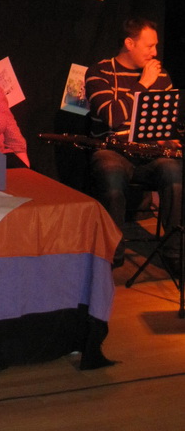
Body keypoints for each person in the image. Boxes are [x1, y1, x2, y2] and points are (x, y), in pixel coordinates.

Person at [84, 18, 181, 269]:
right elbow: (113, 118)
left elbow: (166, 123)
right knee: (110, 173)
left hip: (149, 154)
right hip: (112, 150)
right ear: (129, 43)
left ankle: (174, 253)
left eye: (156, 46)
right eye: (149, 46)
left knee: (174, 173)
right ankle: (113, 254)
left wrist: (168, 138)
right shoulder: (99, 72)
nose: (155, 52)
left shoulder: (161, 76)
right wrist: (143, 85)